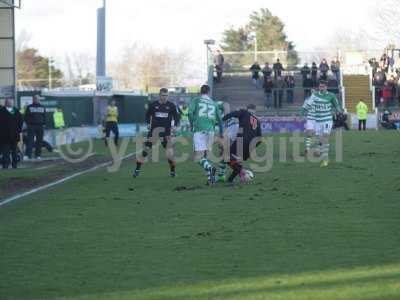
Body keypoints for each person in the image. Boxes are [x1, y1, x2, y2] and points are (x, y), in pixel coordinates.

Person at [134, 88, 180, 178]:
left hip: (166, 132)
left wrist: (175, 125)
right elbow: (147, 115)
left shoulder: (171, 106)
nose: (165, 97)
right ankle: (137, 169)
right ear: (159, 95)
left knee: (170, 154)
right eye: (163, 95)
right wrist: (148, 123)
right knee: (146, 150)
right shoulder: (153, 105)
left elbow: (176, 116)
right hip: (154, 131)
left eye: (166, 95)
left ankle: (172, 172)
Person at [188, 84, 223, 185]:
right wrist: (221, 132)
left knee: (198, 156)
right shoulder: (214, 103)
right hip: (211, 131)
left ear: (200, 92)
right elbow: (220, 120)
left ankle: (210, 168)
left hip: (199, 129)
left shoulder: (197, 100)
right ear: (209, 92)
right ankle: (210, 179)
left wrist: (191, 124)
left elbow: (190, 113)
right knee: (205, 156)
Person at [222, 104, 262, 185]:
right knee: (238, 161)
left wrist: (224, 118)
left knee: (226, 156)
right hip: (251, 145)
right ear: (255, 111)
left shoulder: (244, 112)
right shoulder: (257, 121)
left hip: (241, 140)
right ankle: (230, 180)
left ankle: (242, 172)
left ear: (247, 109)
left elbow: (234, 114)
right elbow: (260, 139)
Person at [310, 80, 342, 167]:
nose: (321, 88)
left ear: (326, 87)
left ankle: (325, 159)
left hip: (327, 119)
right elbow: (309, 105)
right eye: (320, 87)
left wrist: (339, 111)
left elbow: (336, 105)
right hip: (318, 121)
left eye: (323, 87)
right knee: (320, 139)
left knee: (325, 136)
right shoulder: (315, 96)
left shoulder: (331, 95)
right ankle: (320, 150)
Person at [0, 98, 23, 169]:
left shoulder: (16, 111)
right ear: (6, 103)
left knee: (14, 151)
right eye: (9, 102)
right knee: (5, 152)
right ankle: (5, 165)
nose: (10, 103)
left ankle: (15, 165)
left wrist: (18, 130)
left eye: (11, 102)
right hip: (4, 135)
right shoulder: (1, 111)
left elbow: (20, 121)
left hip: (14, 135)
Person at [24, 95, 46, 160]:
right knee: (30, 141)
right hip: (31, 126)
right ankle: (28, 155)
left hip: (40, 126)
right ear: (33, 99)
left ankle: (38, 155)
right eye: (35, 99)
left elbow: (44, 116)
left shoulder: (42, 107)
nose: (37, 100)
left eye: (38, 99)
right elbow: (26, 116)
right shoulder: (29, 107)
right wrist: (29, 124)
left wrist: (44, 124)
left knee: (39, 141)